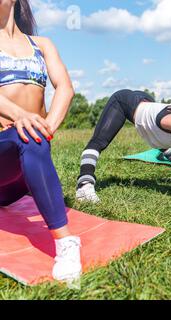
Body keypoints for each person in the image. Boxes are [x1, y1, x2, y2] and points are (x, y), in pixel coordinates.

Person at [0, 0, 80, 281]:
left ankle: (68, 248)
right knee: (28, 136)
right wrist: (22, 116)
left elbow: (65, 89)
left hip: (23, 168)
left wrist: (47, 129)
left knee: (32, 139)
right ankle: (65, 240)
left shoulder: (41, 44)